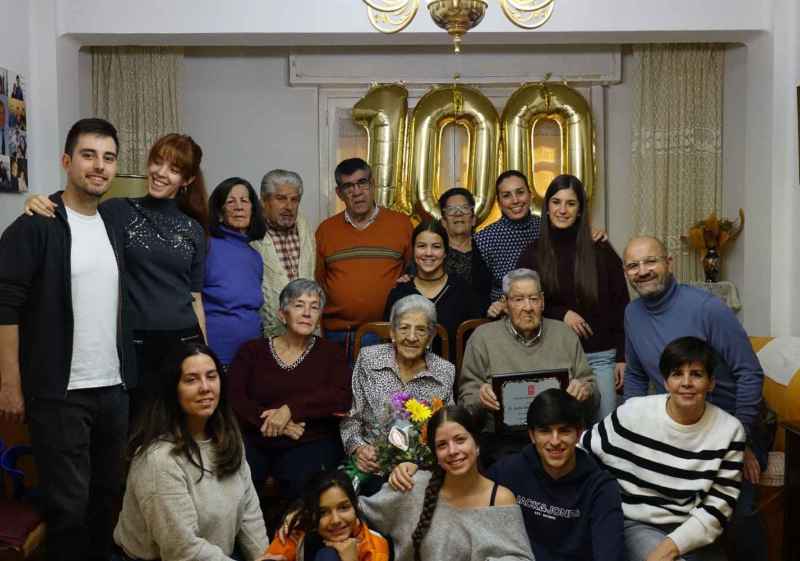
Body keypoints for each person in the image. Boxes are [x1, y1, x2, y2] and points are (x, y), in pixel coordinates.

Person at [0, 118, 134, 561]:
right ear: (66, 161)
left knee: (106, 500)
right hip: (59, 392)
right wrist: (10, 383)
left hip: (112, 389)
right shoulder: (36, 225)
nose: (99, 166)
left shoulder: (113, 222)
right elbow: (6, 308)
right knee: (68, 509)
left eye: (108, 157)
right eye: (88, 155)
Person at [26, 133, 210, 417]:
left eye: (174, 170)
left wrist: (203, 352)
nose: (161, 173)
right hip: (133, 342)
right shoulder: (116, 211)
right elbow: (75, 213)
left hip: (184, 341)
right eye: (158, 162)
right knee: (135, 430)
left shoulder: (194, 229)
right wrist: (38, 201)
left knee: (177, 430)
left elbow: (195, 296)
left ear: (186, 181)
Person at [622, 235, 766, 560]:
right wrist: (631, 427)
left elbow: (750, 373)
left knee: (738, 512)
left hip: (731, 425)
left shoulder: (708, 309)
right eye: (633, 265)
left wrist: (740, 441)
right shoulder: (632, 314)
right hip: (681, 428)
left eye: (650, 261)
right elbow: (635, 375)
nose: (642, 271)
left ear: (669, 263)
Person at [583, 336, 746, 561]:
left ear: (711, 383)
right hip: (636, 523)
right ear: (666, 381)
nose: (686, 382)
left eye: (696, 374)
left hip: (690, 526)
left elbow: (718, 508)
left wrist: (668, 548)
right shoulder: (633, 413)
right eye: (677, 374)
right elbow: (581, 448)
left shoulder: (730, 431)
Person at [113, 342, 267, 561]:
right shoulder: (158, 459)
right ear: (172, 389)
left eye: (211, 376)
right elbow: (182, 550)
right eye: (191, 380)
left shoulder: (229, 440)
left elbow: (250, 515)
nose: (205, 387)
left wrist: (264, 557)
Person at [517, 175, 629, 419]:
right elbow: (520, 303)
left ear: (580, 210)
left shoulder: (600, 249)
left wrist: (622, 357)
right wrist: (561, 314)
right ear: (547, 208)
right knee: (557, 431)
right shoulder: (532, 254)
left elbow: (622, 305)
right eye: (556, 202)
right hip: (549, 357)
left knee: (604, 431)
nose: (562, 210)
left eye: (571, 203)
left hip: (599, 357)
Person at [359, 405, 534, 561]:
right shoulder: (413, 486)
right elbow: (357, 513)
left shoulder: (500, 499)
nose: (452, 451)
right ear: (435, 454)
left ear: (477, 444)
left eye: (460, 440)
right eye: (442, 445)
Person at [229, 279, 351, 502]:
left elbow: (340, 397)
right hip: (256, 437)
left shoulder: (330, 353)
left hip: (309, 440)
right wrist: (276, 423)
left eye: (314, 307)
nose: (307, 313)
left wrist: (289, 410)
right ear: (282, 314)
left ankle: (293, 537)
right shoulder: (252, 351)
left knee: (302, 483)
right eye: (298, 305)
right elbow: (235, 398)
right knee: (238, 482)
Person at [459, 268, 596, 465]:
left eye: (533, 298)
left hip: (559, 440)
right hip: (504, 443)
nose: (528, 307)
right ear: (505, 304)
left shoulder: (564, 335)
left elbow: (593, 393)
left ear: (542, 302)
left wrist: (585, 391)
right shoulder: (482, 338)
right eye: (518, 299)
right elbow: (467, 401)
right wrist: (481, 400)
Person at [340, 295, 455, 492]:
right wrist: (359, 449)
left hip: (417, 469)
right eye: (404, 328)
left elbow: (446, 429)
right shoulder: (369, 359)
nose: (411, 337)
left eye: (421, 330)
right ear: (392, 331)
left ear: (431, 336)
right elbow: (352, 416)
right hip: (370, 465)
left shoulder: (444, 371)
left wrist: (416, 462)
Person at [315, 158, 413, 362]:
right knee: (337, 393)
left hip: (384, 334)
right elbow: (318, 285)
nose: (357, 192)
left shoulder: (401, 225)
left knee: (382, 394)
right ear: (339, 193)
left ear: (373, 184)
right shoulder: (325, 230)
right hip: (337, 337)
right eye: (348, 186)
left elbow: (414, 275)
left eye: (362, 183)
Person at [384, 220, 482, 359]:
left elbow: (476, 343)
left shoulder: (463, 291)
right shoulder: (400, 293)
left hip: (454, 377)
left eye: (436, 247)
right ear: (413, 251)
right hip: (407, 378)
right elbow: (388, 343)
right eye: (421, 246)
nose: (428, 253)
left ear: (445, 252)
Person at [203, 177, 266, 367]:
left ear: (253, 210)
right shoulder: (206, 246)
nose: (239, 207)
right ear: (220, 213)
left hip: (251, 355)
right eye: (231, 201)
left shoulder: (255, 256)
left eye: (245, 201)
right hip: (216, 356)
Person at [263, 470, 391, 561]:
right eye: (323, 512)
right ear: (311, 514)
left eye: (343, 508)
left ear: (355, 506)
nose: (335, 520)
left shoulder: (375, 546)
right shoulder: (296, 530)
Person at [250, 169, 316, 338]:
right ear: (264, 200)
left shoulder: (306, 229)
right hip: (267, 334)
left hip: (306, 333)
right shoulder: (250, 234)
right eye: (281, 198)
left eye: (294, 200)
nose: (288, 206)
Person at [475, 170, 542, 305]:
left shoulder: (545, 229)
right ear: (499, 202)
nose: (515, 200)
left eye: (520, 192)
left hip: (546, 311)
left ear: (530, 195)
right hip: (502, 315)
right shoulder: (484, 239)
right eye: (507, 195)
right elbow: (478, 291)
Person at [437, 187, 492, 312]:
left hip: (481, 322)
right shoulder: (433, 253)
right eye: (451, 209)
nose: (458, 213)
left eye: (464, 208)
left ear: (473, 219)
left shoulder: (486, 249)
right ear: (443, 222)